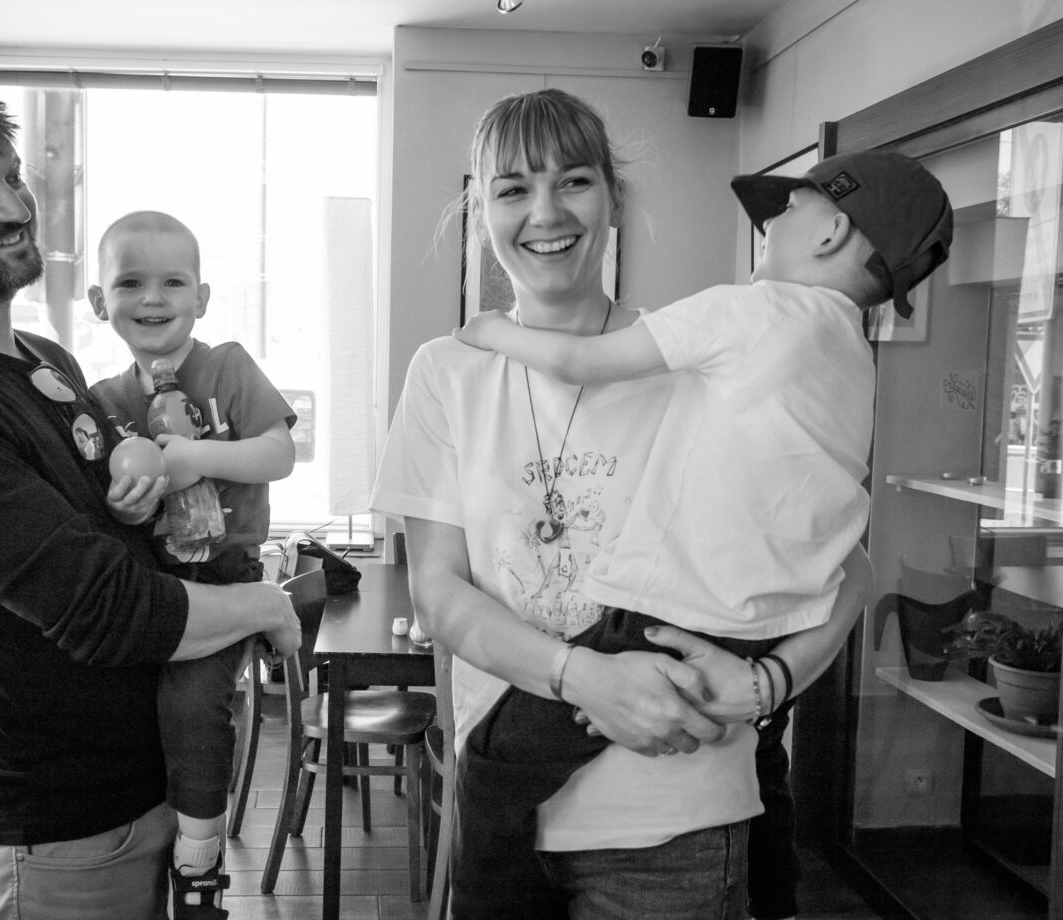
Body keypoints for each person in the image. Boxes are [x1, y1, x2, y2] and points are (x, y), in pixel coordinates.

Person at [370, 87, 878, 920]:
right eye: (512, 189)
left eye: (573, 181)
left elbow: (845, 562)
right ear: (481, 213)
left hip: (677, 823)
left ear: (613, 196)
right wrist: (585, 678)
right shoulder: (447, 370)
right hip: (507, 811)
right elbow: (438, 592)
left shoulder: (700, 356)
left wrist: (768, 682)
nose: (545, 213)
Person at [0, 77, 301, 920]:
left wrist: (143, 489)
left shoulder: (43, 359)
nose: (14, 207)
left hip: (139, 793)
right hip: (52, 835)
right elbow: (108, 610)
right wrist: (264, 603)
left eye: (13, 178)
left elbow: (114, 533)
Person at [451, 143, 953, 913]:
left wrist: (488, 331)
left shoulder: (751, 312)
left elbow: (583, 361)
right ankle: (775, 897)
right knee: (764, 758)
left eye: (788, 209)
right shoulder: (854, 357)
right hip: (768, 629)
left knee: (494, 761)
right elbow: (847, 545)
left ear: (831, 232)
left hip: (667, 619)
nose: (768, 225)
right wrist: (770, 681)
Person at [87, 210, 296, 919]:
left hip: (225, 577)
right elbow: (114, 516)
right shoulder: (104, 403)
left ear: (201, 298)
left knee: (193, 700)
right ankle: (140, 840)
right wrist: (129, 507)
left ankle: (199, 863)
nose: (153, 297)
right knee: (129, 711)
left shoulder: (227, 366)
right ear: (100, 302)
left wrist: (197, 457)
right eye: (131, 283)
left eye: (173, 282)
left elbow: (278, 454)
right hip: (150, 583)